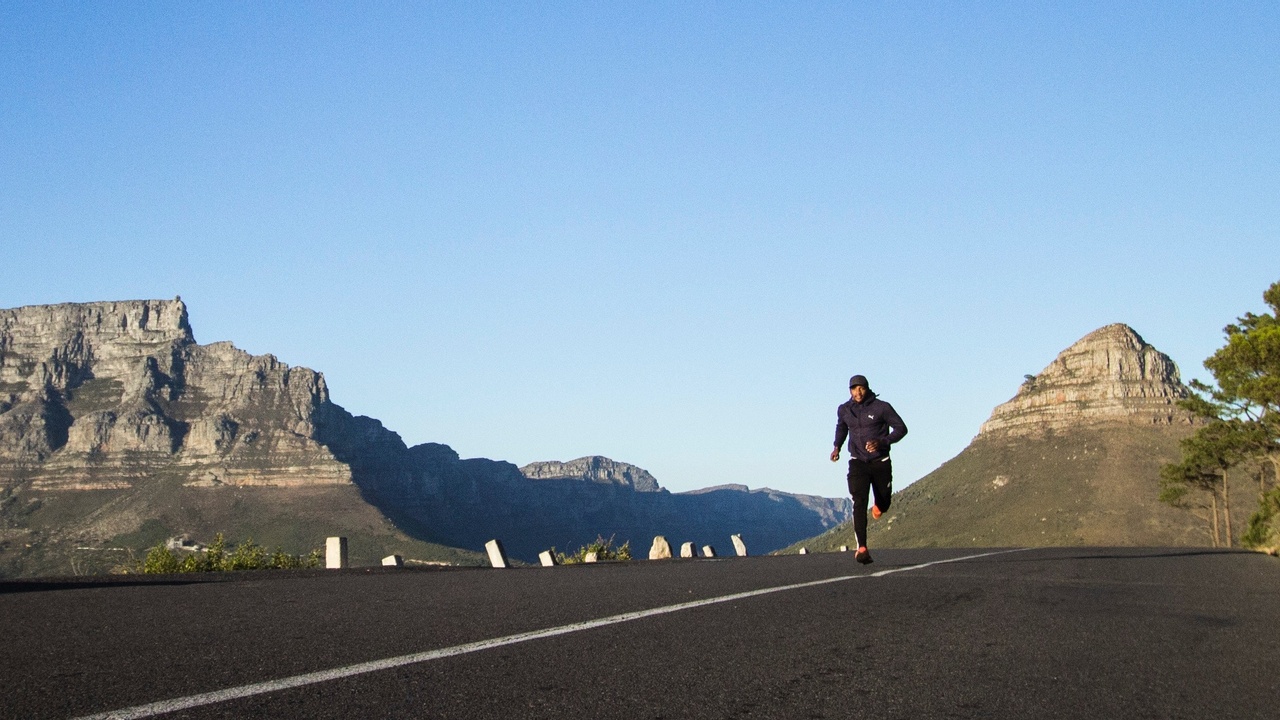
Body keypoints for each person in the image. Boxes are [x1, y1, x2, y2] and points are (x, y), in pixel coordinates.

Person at [830, 374, 907, 564]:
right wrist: (837, 447)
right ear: (850, 390)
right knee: (859, 500)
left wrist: (882, 442)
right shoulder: (844, 409)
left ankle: (880, 505)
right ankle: (862, 547)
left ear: (867, 388)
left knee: (884, 501)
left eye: (861, 388)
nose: (858, 392)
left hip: (880, 461)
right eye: (854, 389)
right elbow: (842, 428)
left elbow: (901, 429)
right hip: (858, 461)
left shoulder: (882, 407)